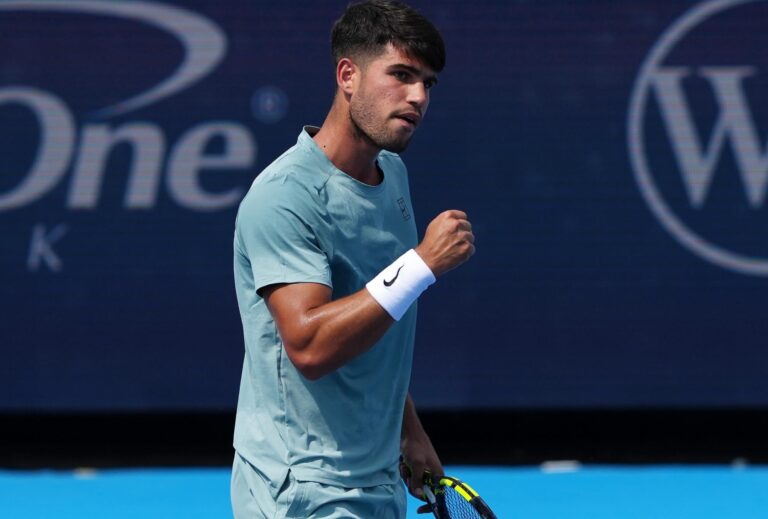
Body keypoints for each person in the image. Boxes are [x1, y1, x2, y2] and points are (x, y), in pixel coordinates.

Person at [231, 1, 474, 517]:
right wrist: (422, 264)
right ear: (348, 75)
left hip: (378, 477)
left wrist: (408, 430)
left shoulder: (393, 175)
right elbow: (311, 346)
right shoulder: (285, 196)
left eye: (428, 83)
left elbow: (375, 319)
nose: (418, 97)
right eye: (402, 75)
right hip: (303, 487)